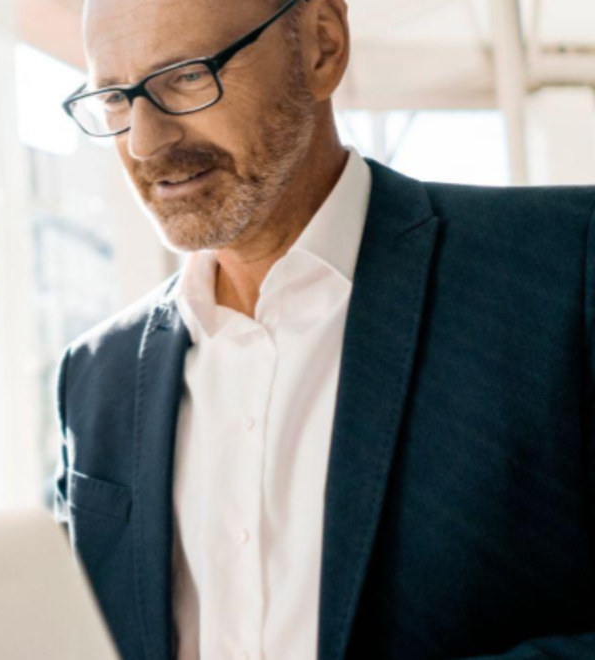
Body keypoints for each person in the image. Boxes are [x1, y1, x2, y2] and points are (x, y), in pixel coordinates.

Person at [53, 1, 595, 659]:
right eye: (115, 98)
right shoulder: (94, 375)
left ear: (321, 45)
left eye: (187, 77)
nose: (143, 141)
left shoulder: (565, 266)